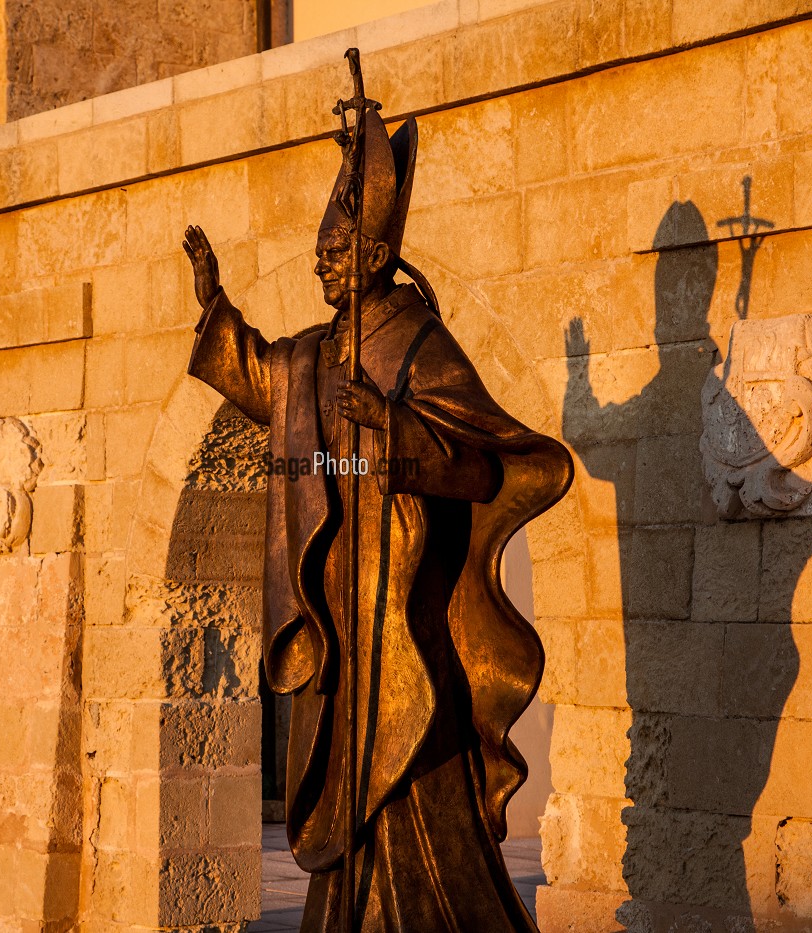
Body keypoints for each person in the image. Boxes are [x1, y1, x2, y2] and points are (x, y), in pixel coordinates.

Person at [182, 108, 571, 933]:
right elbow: (263, 378)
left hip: (406, 623)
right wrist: (215, 307)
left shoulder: (423, 344)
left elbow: (485, 466)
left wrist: (396, 436)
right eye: (320, 253)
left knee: (416, 788)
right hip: (341, 618)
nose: (322, 266)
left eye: (334, 253)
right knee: (345, 801)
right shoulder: (317, 354)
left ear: (378, 254)